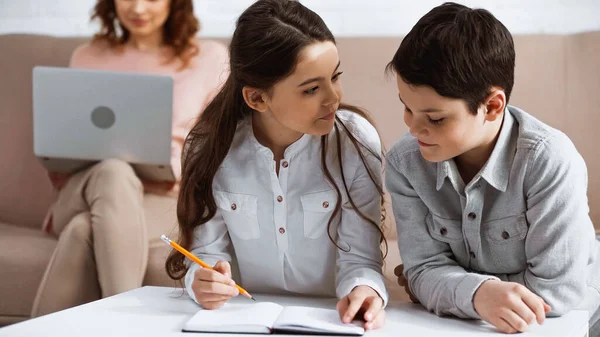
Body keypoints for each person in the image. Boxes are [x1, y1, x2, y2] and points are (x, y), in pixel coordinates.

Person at [165, 0, 388, 330]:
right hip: (240, 321)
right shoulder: (210, 146)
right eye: (312, 89)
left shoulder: (355, 142)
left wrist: (365, 290)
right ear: (257, 98)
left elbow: (360, 259)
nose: (333, 98)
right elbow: (206, 255)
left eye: (335, 76)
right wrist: (203, 281)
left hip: (328, 322)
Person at [385, 2, 600, 334]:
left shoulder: (549, 159)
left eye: (435, 118)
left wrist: (456, 290)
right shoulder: (404, 163)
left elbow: (558, 294)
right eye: (406, 107)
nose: (413, 128)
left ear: (492, 106)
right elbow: (423, 271)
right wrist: (475, 293)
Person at [32, 0, 229, 316]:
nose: (137, 8)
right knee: (113, 170)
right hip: (83, 189)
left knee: (83, 230)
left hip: (164, 197)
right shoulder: (88, 56)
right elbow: (66, 134)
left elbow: (221, 145)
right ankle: (127, 321)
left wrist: (174, 165)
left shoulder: (209, 58)